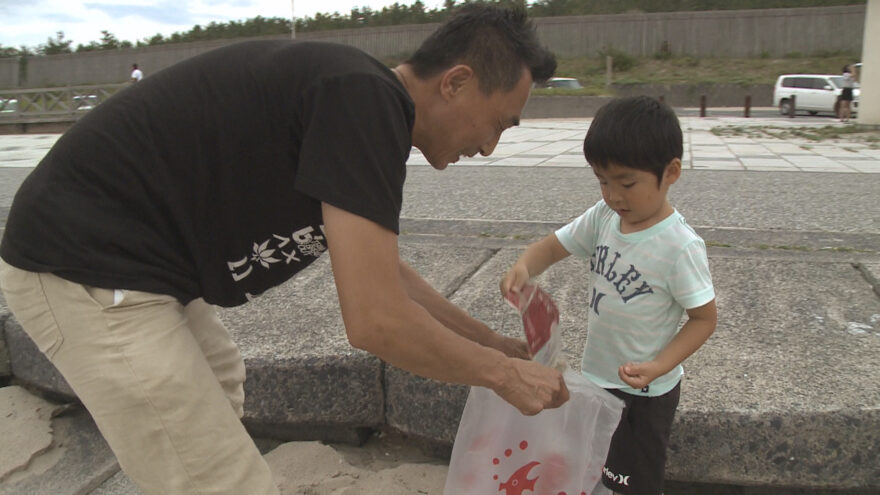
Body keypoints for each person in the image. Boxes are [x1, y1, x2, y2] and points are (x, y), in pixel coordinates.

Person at [0, 5, 568, 494]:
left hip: (139, 265)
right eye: (499, 123)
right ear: (456, 82)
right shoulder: (362, 101)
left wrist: (491, 343)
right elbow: (375, 322)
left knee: (218, 384)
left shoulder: (360, 100)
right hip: (83, 267)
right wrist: (500, 374)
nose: (491, 147)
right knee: (219, 478)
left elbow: (385, 276)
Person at [500, 96, 717, 495]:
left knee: (633, 480)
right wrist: (525, 267)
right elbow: (554, 246)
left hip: (645, 393)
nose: (614, 195)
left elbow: (704, 318)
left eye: (627, 182)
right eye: (602, 180)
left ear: (670, 173)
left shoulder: (679, 246)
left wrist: (658, 365)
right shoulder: (604, 218)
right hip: (596, 378)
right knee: (594, 466)